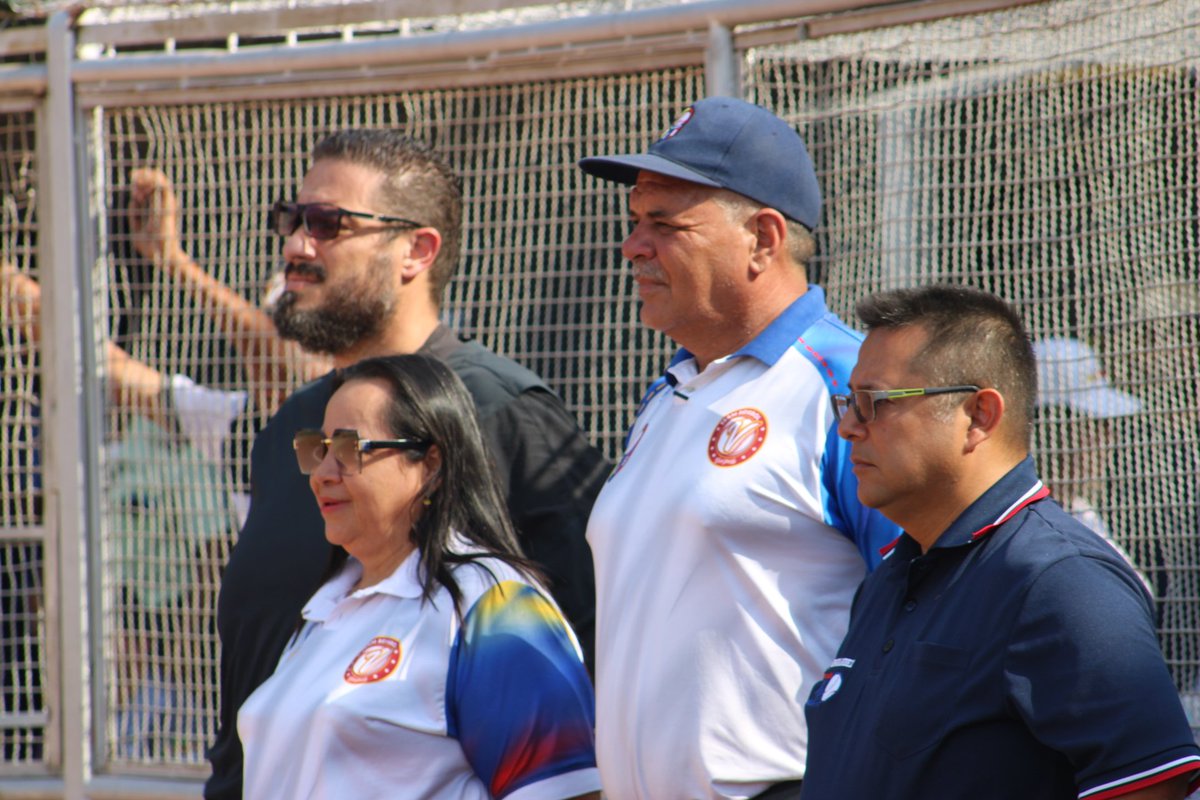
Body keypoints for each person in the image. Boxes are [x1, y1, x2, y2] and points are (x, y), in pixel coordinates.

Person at [182, 131, 610, 799]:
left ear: (417, 249)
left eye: (327, 224)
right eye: (291, 220)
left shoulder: (502, 412)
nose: (295, 245)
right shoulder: (286, 433)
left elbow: (590, 659)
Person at [576, 96, 901, 799]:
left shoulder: (848, 380)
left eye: (664, 224)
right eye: (635, 222)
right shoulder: (667, 394)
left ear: (763, 238)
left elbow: (934, 613)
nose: (633, 245)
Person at [801, 284, 1200, 800]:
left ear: (978, 416)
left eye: (873, 402)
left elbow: (1148, 790)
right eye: (846, 403)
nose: (848, 428)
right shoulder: (891, 577)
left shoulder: (1060, 579)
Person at [237, 354, 600, 799]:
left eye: (350, 449)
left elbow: (565, 791)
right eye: (318, 449)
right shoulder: (323, 607)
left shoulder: (492, 605)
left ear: (431, 465)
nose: (323, 475)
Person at [1, 262, 245, 759]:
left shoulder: (179, 444)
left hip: (169, 621)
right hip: (88, 613)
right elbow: (96, 361)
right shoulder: (51, 444)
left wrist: (177, 641)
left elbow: (213, 555)